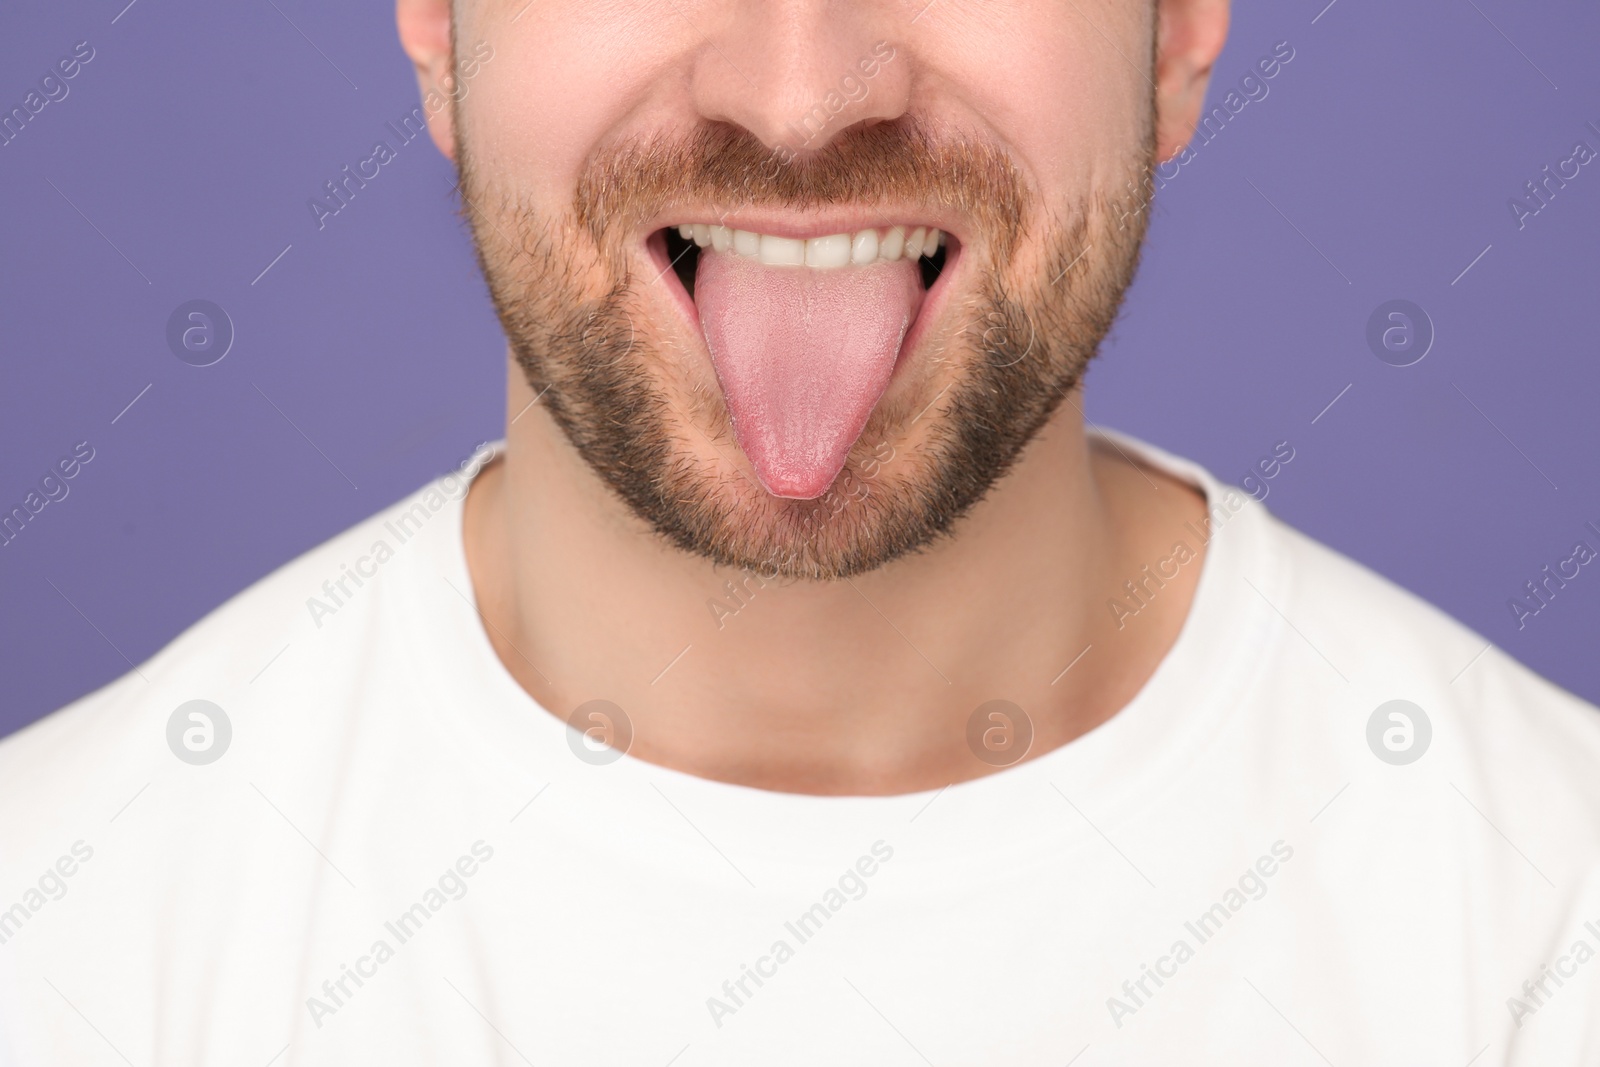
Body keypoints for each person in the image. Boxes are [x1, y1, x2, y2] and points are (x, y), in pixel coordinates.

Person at [2, 0, 1597, 1063]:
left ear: (1176, 31)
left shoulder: (1547, 936)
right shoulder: (56, 946)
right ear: (439, 24)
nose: (800, 98)